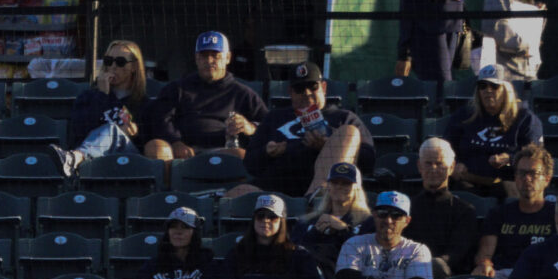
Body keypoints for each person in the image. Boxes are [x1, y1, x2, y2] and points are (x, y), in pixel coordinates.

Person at [239, 64, 373, 201]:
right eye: (300, 88)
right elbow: (250, 164)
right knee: (234, 196)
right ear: (290, 92)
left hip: (323, 183)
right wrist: (266, 152)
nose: (307, 93)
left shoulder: (343, 117)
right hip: (276, 185)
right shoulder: (274, 117)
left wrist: (327, 146)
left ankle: (316, 198)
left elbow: (368, 160)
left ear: (324, 88)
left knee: (349, 132)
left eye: (312, 86)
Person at [139, 30, 268, 161]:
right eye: (204, 55)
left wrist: (250, 127)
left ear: (228, 58)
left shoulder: (243, 94)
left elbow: (269, 126)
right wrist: (175, 142)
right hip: (183, 155)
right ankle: (165, 181)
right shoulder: (177, 89)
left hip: (225, 152)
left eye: (215, 55)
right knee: (156, 148)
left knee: (240, 155)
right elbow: (160, 119)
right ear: (196, 58)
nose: (209, 60)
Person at [216, 194, 328, 279]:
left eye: (272, 217)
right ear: (254, 220)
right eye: (260, 216)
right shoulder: (236, 254)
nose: (265, 220)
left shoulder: (299, 255)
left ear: (282, 221)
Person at [47, 39, 147, 176]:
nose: (113, 66)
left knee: (113, 130)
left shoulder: (143, 102)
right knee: (111, 129)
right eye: (108, 61)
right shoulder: (88, 97)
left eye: (120, 62)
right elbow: (79, 133)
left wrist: (134, 134)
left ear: (134, 67)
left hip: (128, 162)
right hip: (93, 162)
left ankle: (74, 158)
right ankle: (75, 158)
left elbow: (149, 147)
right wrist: (102, 96)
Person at [440, 64, 542, 198]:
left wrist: (511, 158)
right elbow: (446, 147)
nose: (488, 90)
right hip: (469, 180)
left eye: (494, 86)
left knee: (506, 190)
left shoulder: (525, 119)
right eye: (483, 86)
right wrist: (455, 163)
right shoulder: (465, 115)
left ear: (507, 89)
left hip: (508, 182)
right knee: (460, 193)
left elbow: (534, 156)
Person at [332, 190, 434, 279]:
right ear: (374, 215)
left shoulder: (417, 250)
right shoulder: (354, 243)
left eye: (396, 216)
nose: (388, 220)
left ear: (407, 221)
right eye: (382, 214)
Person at [406, 137, 484, 278]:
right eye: (428, 163)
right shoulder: (406, 209)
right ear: (419, 166)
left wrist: (432, 264)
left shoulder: (464, 211)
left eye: (439, 163)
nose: (433, 169)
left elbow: (458, 252)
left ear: (452, 167)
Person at [474, 143, 556, 276]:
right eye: (522, 173)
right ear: (515, 177)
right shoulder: (498, 214)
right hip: (504, 276)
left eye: (533, 173)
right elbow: (485, 255)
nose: (527, 178)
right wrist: (485, 264)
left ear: (547, 179)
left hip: (543, 276)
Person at [131, 207, 217, 279]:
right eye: (173, 226)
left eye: (185, 227)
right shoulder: (152, 266)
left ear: (195, 232)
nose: (178, 232)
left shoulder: (207, 264)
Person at [295, 162, 374, 274]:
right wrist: (314, 232)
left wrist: (344, 230)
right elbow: (294, 251)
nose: (338, 186)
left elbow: (370, 256)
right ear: (328, 186)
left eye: (346, 183)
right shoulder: (308, 221)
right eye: (334, 182)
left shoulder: (369, 222)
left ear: (357, 188)